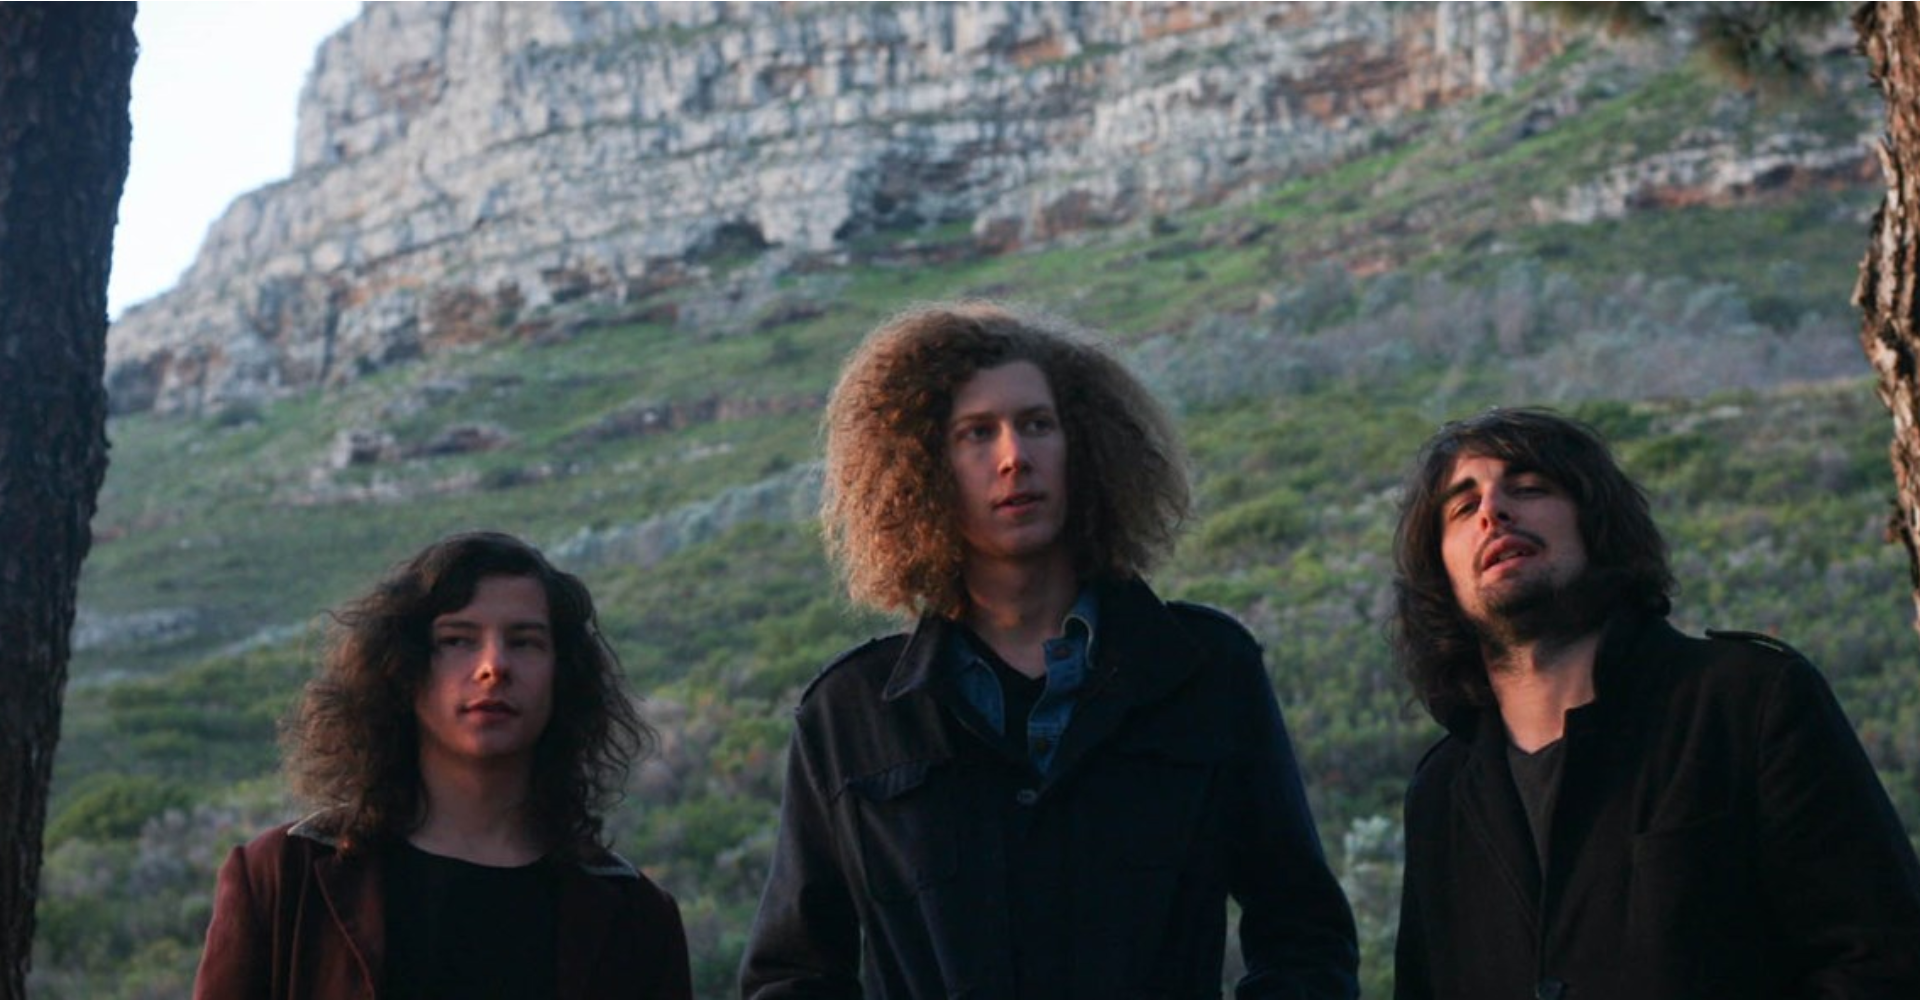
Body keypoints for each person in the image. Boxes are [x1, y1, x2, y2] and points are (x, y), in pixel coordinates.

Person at [739, 301, 1358, 999]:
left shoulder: (1207, 669)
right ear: (922, 468)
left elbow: (1304, 934)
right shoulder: (849, 715)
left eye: (1038, 424)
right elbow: (791, 975)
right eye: (977, 433)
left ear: (1085, 445)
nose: (1014, 457)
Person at [1389, 407, 1920, 1000]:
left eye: (1531, 488)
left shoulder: (1749, 701)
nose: (1494, 511)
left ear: (1596, 521)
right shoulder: (1440, 792)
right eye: (1463, 507)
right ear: (1440, 572)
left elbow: (1879, 961)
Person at [193, 531, 692, 1000]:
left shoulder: (634, 917)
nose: (493, 666)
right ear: (402, 667)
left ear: (563, 675)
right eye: (457, 639)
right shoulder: (283, 879)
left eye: (525, 641)